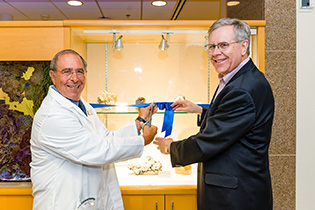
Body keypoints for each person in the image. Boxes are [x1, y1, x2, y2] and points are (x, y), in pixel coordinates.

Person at [154, 18, 274, 210]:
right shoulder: (243, 79)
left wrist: (171, 148)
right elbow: (233, 120)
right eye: (211, 46)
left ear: (244, 46)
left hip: (235, 199)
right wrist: (200, 110)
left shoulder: (242, 89)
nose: (216, 53)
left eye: (223, 45)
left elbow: (208, 142)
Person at [30, 49, 157, 210]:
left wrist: (139, 122)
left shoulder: (83, 106)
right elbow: (99, 150)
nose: (75, 78)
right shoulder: (52, 116)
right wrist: (143, 141)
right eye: (67, 72)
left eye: (79, 72)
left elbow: (105, 138)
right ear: (53, 76)